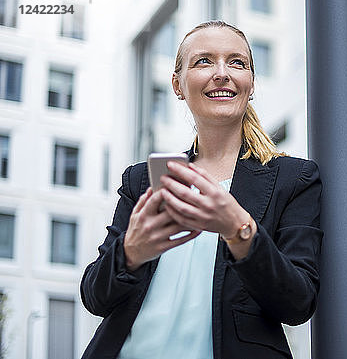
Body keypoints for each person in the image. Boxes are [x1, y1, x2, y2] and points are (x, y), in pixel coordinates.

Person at [80, 20, 323, 359]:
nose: (222, 73)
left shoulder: (294, 179)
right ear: (178, 85)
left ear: (250, 83)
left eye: (236, 62)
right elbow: (95, 297)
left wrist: (240, 232)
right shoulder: (142, 181)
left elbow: (298, 303)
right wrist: (131, 251)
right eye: (204, 61)